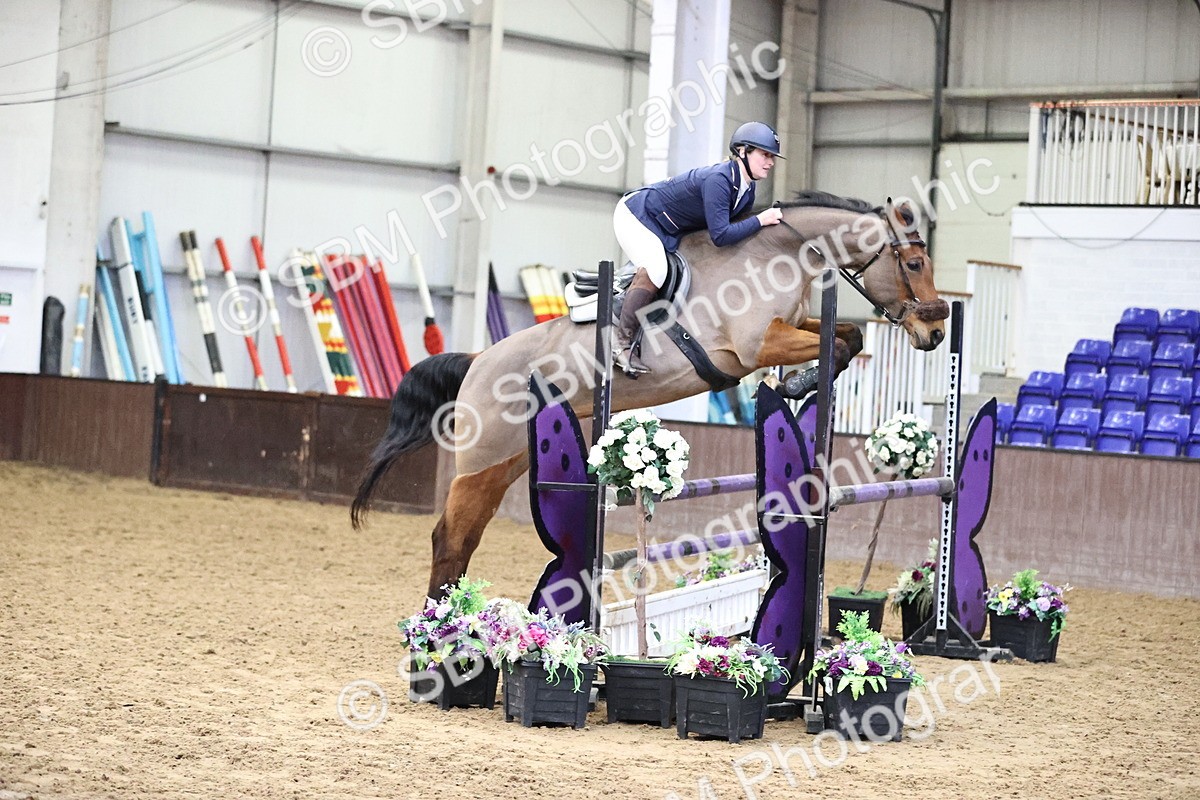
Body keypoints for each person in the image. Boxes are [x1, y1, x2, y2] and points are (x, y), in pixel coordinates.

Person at [611, 121, 785, 376]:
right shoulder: (720, 179)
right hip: (637, 215)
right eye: (765, 154)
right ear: (743, 151)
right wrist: (761, 220)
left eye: (772, 156)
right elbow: (722, 235)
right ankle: (621, 344)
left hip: (669, 227)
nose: (770, 162)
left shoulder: (747, 190)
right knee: (657, 269)